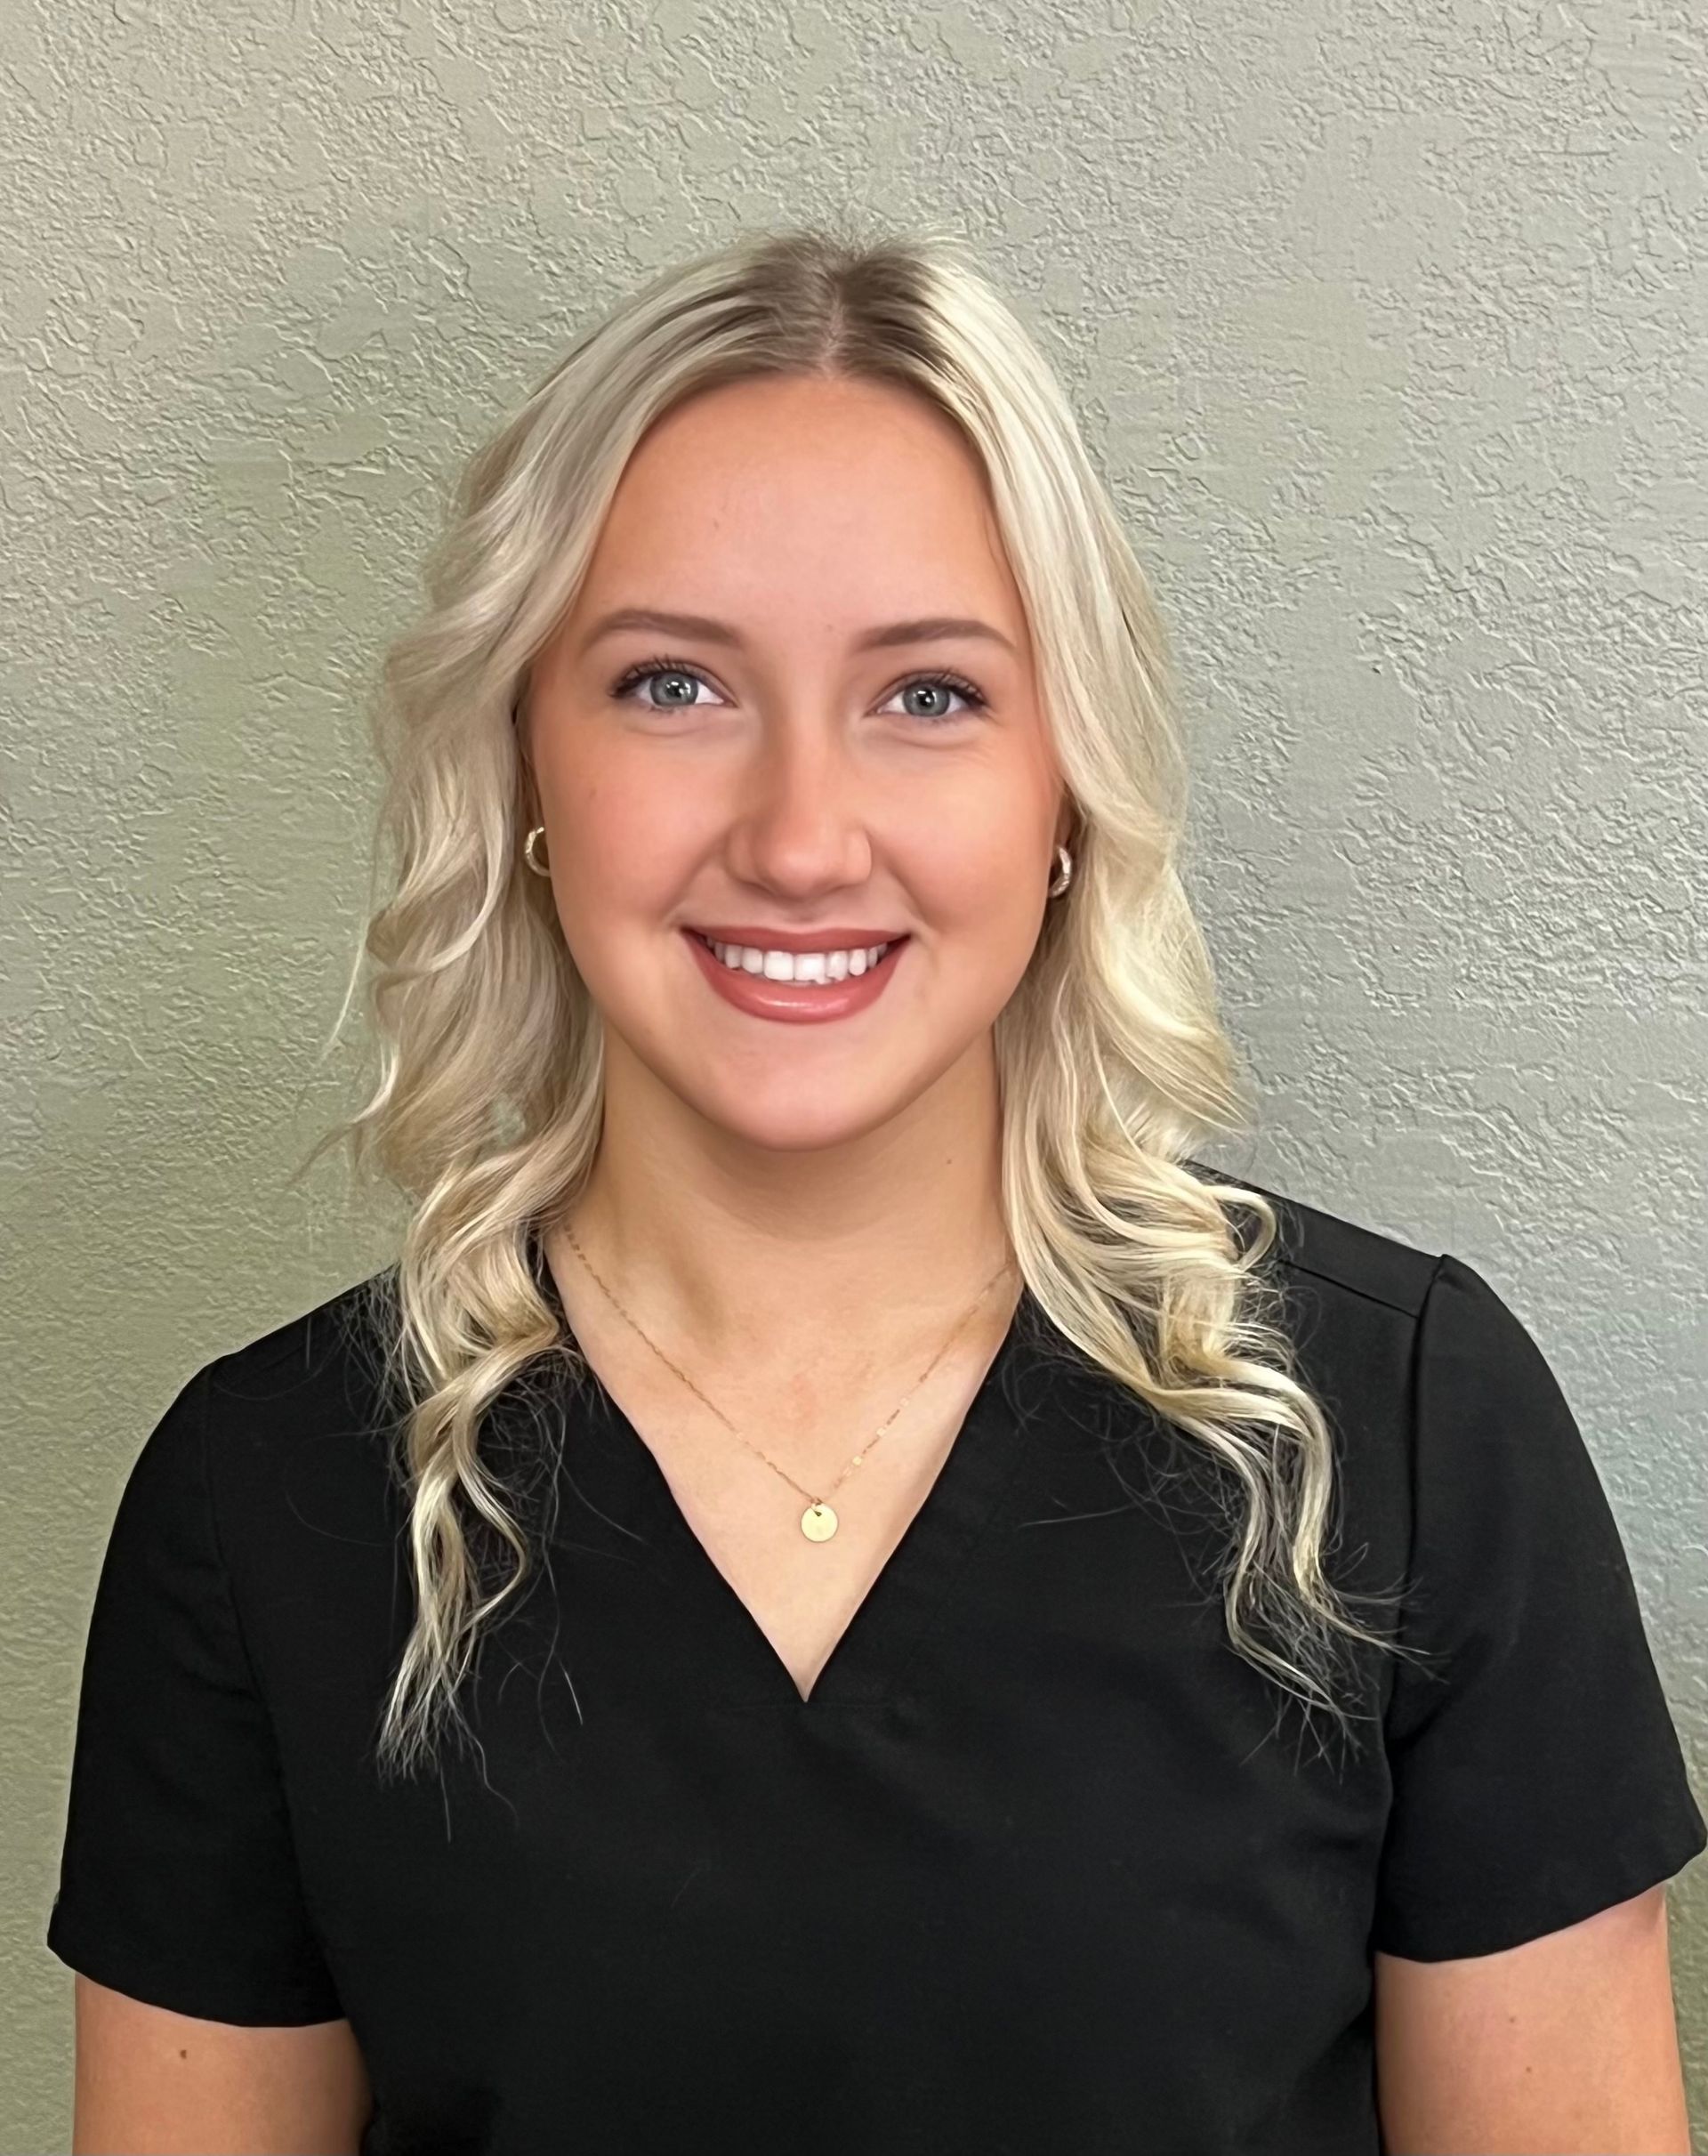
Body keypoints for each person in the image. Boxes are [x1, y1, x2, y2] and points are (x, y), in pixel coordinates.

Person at [44, 222, 1704, 2156]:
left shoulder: (1407, 1429)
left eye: (928, 697)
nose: (802, 836)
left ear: (1065, 792)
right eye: (672, 685)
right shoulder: (271, 1501)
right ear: (525, 774)